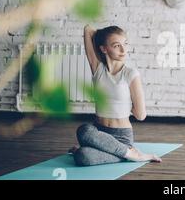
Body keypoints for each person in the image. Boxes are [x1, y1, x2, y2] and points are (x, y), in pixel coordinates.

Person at [69, 25, 161, 166]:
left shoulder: (131, 74)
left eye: (125, 44)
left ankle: (129, 153)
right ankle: (127, 154)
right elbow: (88, 29)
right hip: (97, 133)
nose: (123, 50)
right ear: (104, 49)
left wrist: (126, 107)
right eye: (117, 45)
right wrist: (102, 37)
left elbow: (141, 115)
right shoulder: (98, 69)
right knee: (84, 130)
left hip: (121, 137)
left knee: (82, 155)